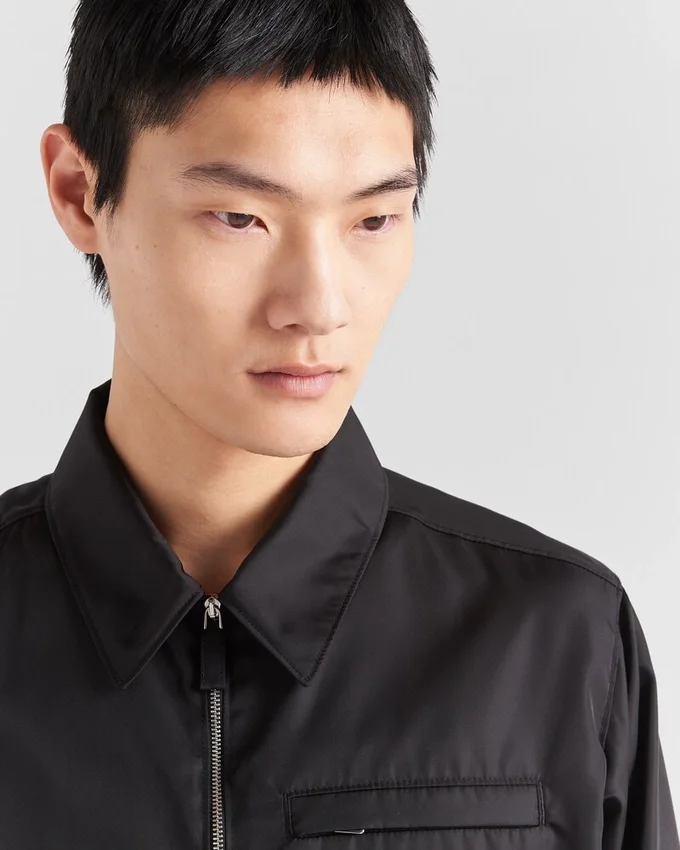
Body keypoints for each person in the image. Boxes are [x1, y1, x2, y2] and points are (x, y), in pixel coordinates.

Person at [0, 0, 677, 847]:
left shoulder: (558, 641)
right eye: (240, 217)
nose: (319, 306)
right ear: (80, 192)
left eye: (374, 220)